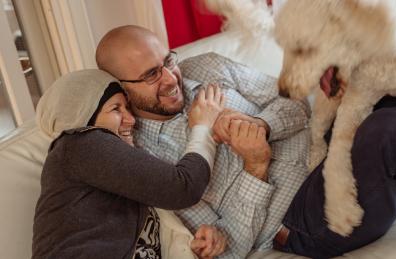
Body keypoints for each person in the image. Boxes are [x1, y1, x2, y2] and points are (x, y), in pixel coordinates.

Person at [96, 25, 310, 258]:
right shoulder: (146, 162)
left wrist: (261, 125)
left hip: (329, 150)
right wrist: (256, 168)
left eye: (168, 61)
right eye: (151, 74)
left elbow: (294, 98)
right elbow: (227, 248)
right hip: (303, 219)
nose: (170, 79)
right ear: (121, 88)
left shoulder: (207, 67)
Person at [32, 69, 228, 259]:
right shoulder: (79, 144)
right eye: (116, 109)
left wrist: (193, 248)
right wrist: (203, 127)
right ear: (83, 114)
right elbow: (183, 188)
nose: (131, 120)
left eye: (127, 108)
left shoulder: (104, 169)